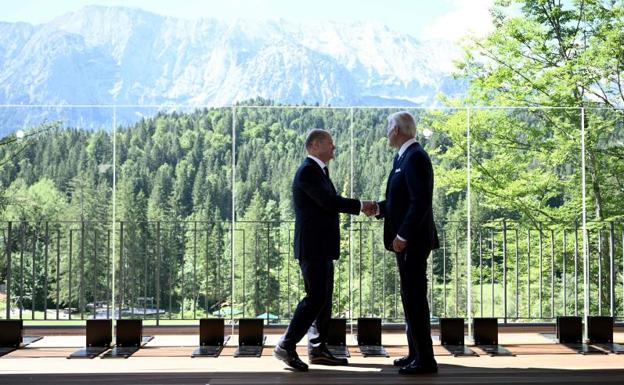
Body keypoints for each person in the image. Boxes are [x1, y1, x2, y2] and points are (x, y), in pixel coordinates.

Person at [274, 129, 375, 372]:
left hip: (321, 247)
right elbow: (329, 202)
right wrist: (361, 205)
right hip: (313, 247)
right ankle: (285, 346)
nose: (335, 147)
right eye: (331, 143)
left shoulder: (318, 170)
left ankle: (317, 349)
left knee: (323, 300)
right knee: (315, 298)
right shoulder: (308, 172)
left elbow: (328, 202)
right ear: (316, 145)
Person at [366, 111, 439, 375]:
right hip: (407, 242)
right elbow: (401, 202)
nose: (386, 133)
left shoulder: (416, 157)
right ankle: (415, 354)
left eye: (388, 129)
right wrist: (378, 209)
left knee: (415, 298)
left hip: (413, 242)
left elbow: (420, 202)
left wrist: (403, 235)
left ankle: (425, 360)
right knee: (410, 297)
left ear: (396, 130)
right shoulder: (403, 156)